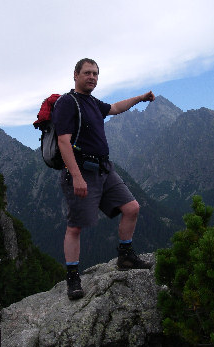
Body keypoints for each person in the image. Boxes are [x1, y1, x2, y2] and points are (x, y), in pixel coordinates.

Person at [52, 58, 155, 300]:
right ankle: (73, 277)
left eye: (96, 74)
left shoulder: (91, 102)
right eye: (87, 73)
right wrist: (77, 176)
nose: (92, 77)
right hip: (82, 170)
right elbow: (63, 142)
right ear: (75, 75)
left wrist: (140, 98)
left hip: (104, 169)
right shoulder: (68, 102)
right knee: (75, 226)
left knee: (131, 207)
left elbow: (116, 108)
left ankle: (125, 256)